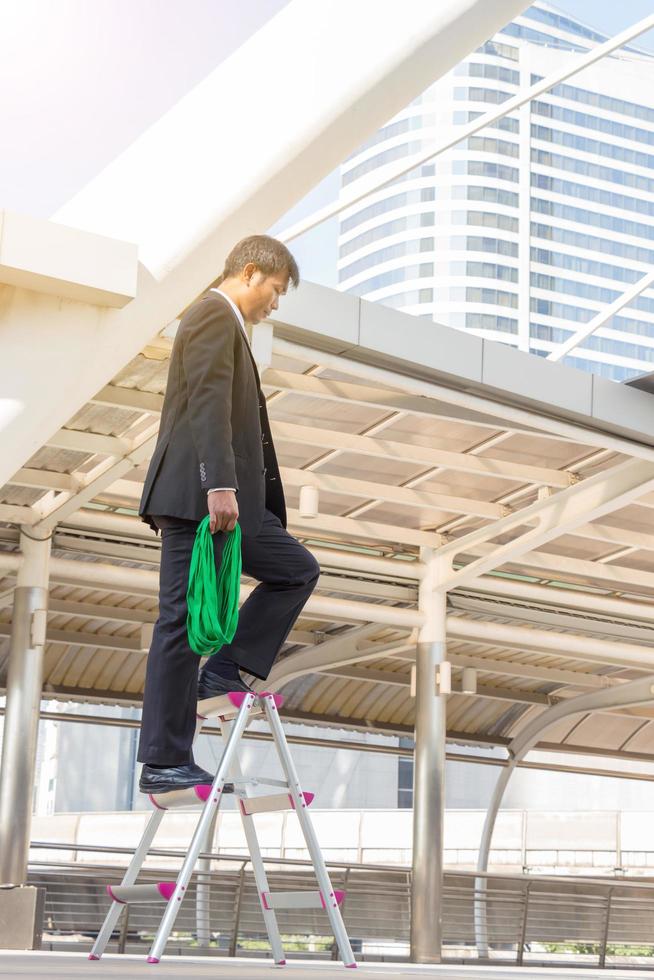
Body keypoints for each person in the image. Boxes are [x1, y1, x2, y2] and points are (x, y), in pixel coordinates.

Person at [136, 235, 320, 795]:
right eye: (276, 289)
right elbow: (208, 404)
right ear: (249, 272)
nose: (276, 303)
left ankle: (223, 668)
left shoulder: (230, 326)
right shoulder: (211, 315)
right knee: (180, 621)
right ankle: (164, 759)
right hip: (204, 500)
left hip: (235, 505)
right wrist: (217, 484)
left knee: (296, 570)